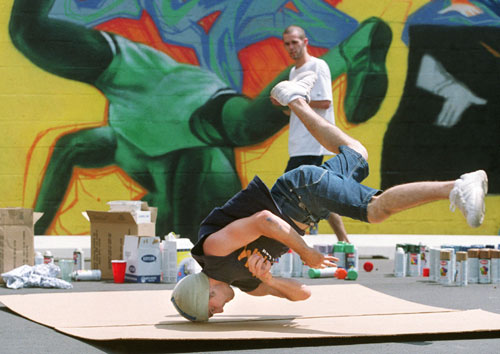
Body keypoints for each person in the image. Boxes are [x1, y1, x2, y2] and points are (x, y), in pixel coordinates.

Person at [171, 71, 488, 322]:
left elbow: (265, 220)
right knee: (358, 154)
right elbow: (302, 295)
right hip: (309, 203)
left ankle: (457, 187)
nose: (220, 312)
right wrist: (270, 279)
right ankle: (294, 100)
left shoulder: (213, 251)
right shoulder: (247, 285)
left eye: (211, 309)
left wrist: (306, 253)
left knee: (374, 210)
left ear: (206, 292)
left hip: (300, 193)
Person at [277, 24, 348, 241]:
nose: (291, 47)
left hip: (313, 143)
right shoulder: (294, 72)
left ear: (305, 42)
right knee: (320, 195)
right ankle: (342, 240)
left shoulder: (318, 66)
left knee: (284, 192)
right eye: (287, 44)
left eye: (295, 42)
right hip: (298, 144)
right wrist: (284, 103)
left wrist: (292, 100)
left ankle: (293, 239)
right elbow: (298, 108)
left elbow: (325, 101)